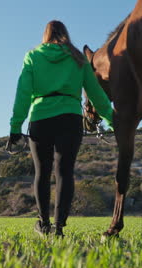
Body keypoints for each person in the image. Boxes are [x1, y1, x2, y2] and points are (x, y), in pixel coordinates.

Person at [7, 20, 114, 236]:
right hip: (70, 118)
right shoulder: (77, 58)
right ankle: (59, 228)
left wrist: (15, 126)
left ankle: (43, 223)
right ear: (65, 34)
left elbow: (23, 92)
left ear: (45, 35)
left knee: (42, 172)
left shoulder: (33, 56)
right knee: (65, 172)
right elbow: (95, 93)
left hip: (41, 117)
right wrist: (112, 120)